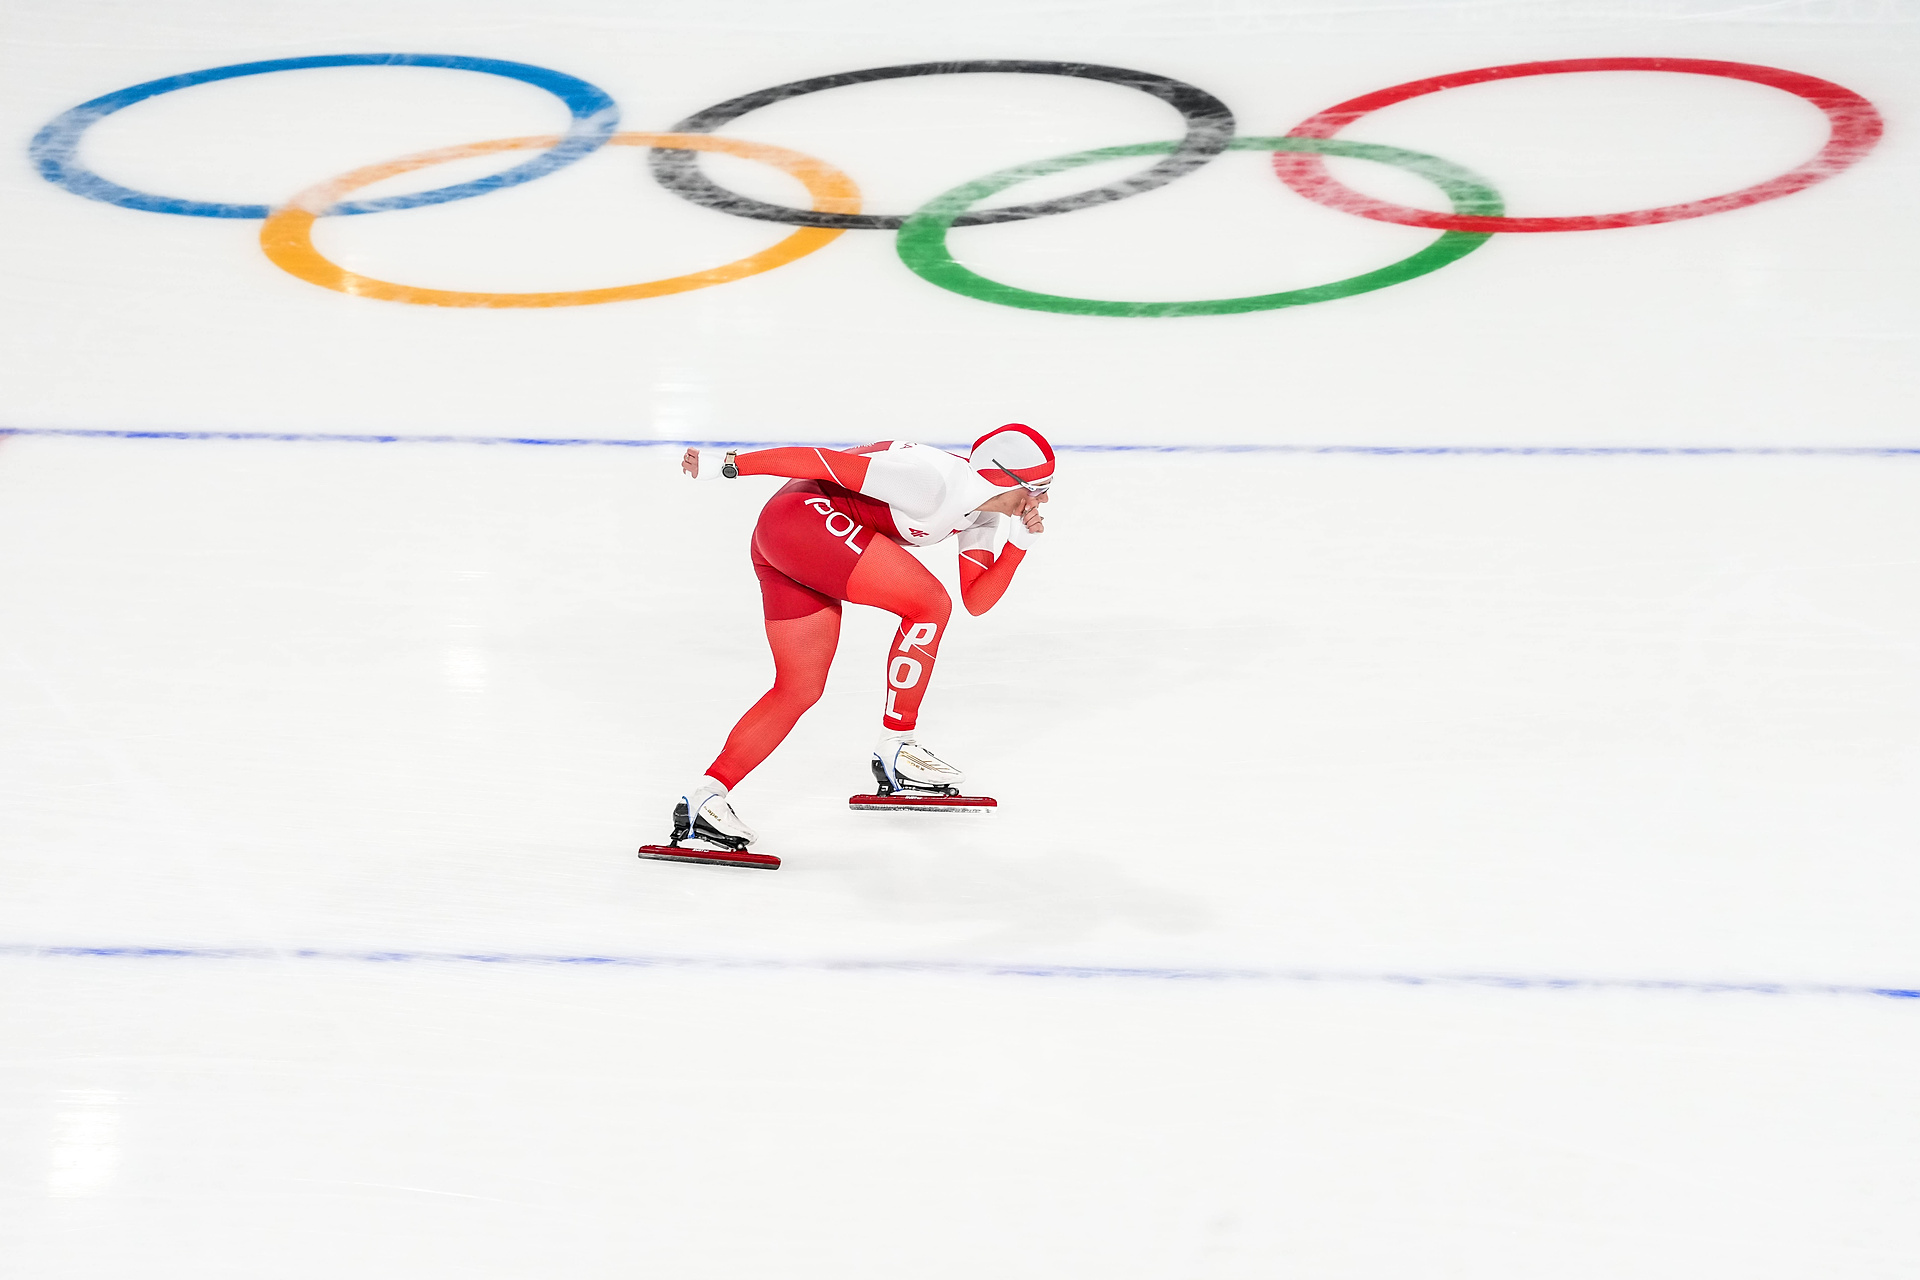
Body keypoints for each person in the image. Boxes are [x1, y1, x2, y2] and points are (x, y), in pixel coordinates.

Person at [661, 424, 1055, 854]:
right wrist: (727, 466)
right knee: (928, 603)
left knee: (799, 688)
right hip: (800, 519)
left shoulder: (982, 511)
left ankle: (704, 799)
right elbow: (818, 461)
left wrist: (1018, 545)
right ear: (1003, 479)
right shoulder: (932, 484)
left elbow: (977, 600)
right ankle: (897, 748)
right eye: (1039, 488)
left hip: (789, 540)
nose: (1044, 500)